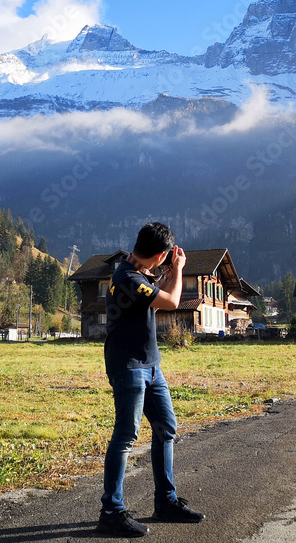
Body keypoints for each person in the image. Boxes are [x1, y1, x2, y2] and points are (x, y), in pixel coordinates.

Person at [96, 222, 205, 538]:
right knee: (126, 435)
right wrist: (180, 268)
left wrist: (168, 274)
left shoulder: (137, 273)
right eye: (166, 256)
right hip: (128, 366)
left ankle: (166, 502)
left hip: (151, 365)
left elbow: (159, 293)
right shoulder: (127, 278)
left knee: (165, 428)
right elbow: (171, 303)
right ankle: (111, 512)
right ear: (160, 254)